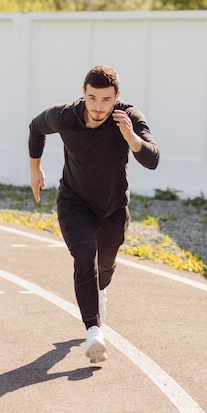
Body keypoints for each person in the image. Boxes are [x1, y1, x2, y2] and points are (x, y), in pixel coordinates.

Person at [28, 65, 160, 363]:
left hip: (113, 206)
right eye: (92, 98)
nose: (99, 107)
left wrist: (131, 139)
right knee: (85, 256)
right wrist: (35, 169)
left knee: (106, 265)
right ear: (83, 93)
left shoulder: (128, 116)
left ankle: (100, 290)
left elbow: (152, 159)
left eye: (106, 99)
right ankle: (93, 331)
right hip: (74, 202)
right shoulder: (65, 116)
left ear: (117, 96)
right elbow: (35, 128)